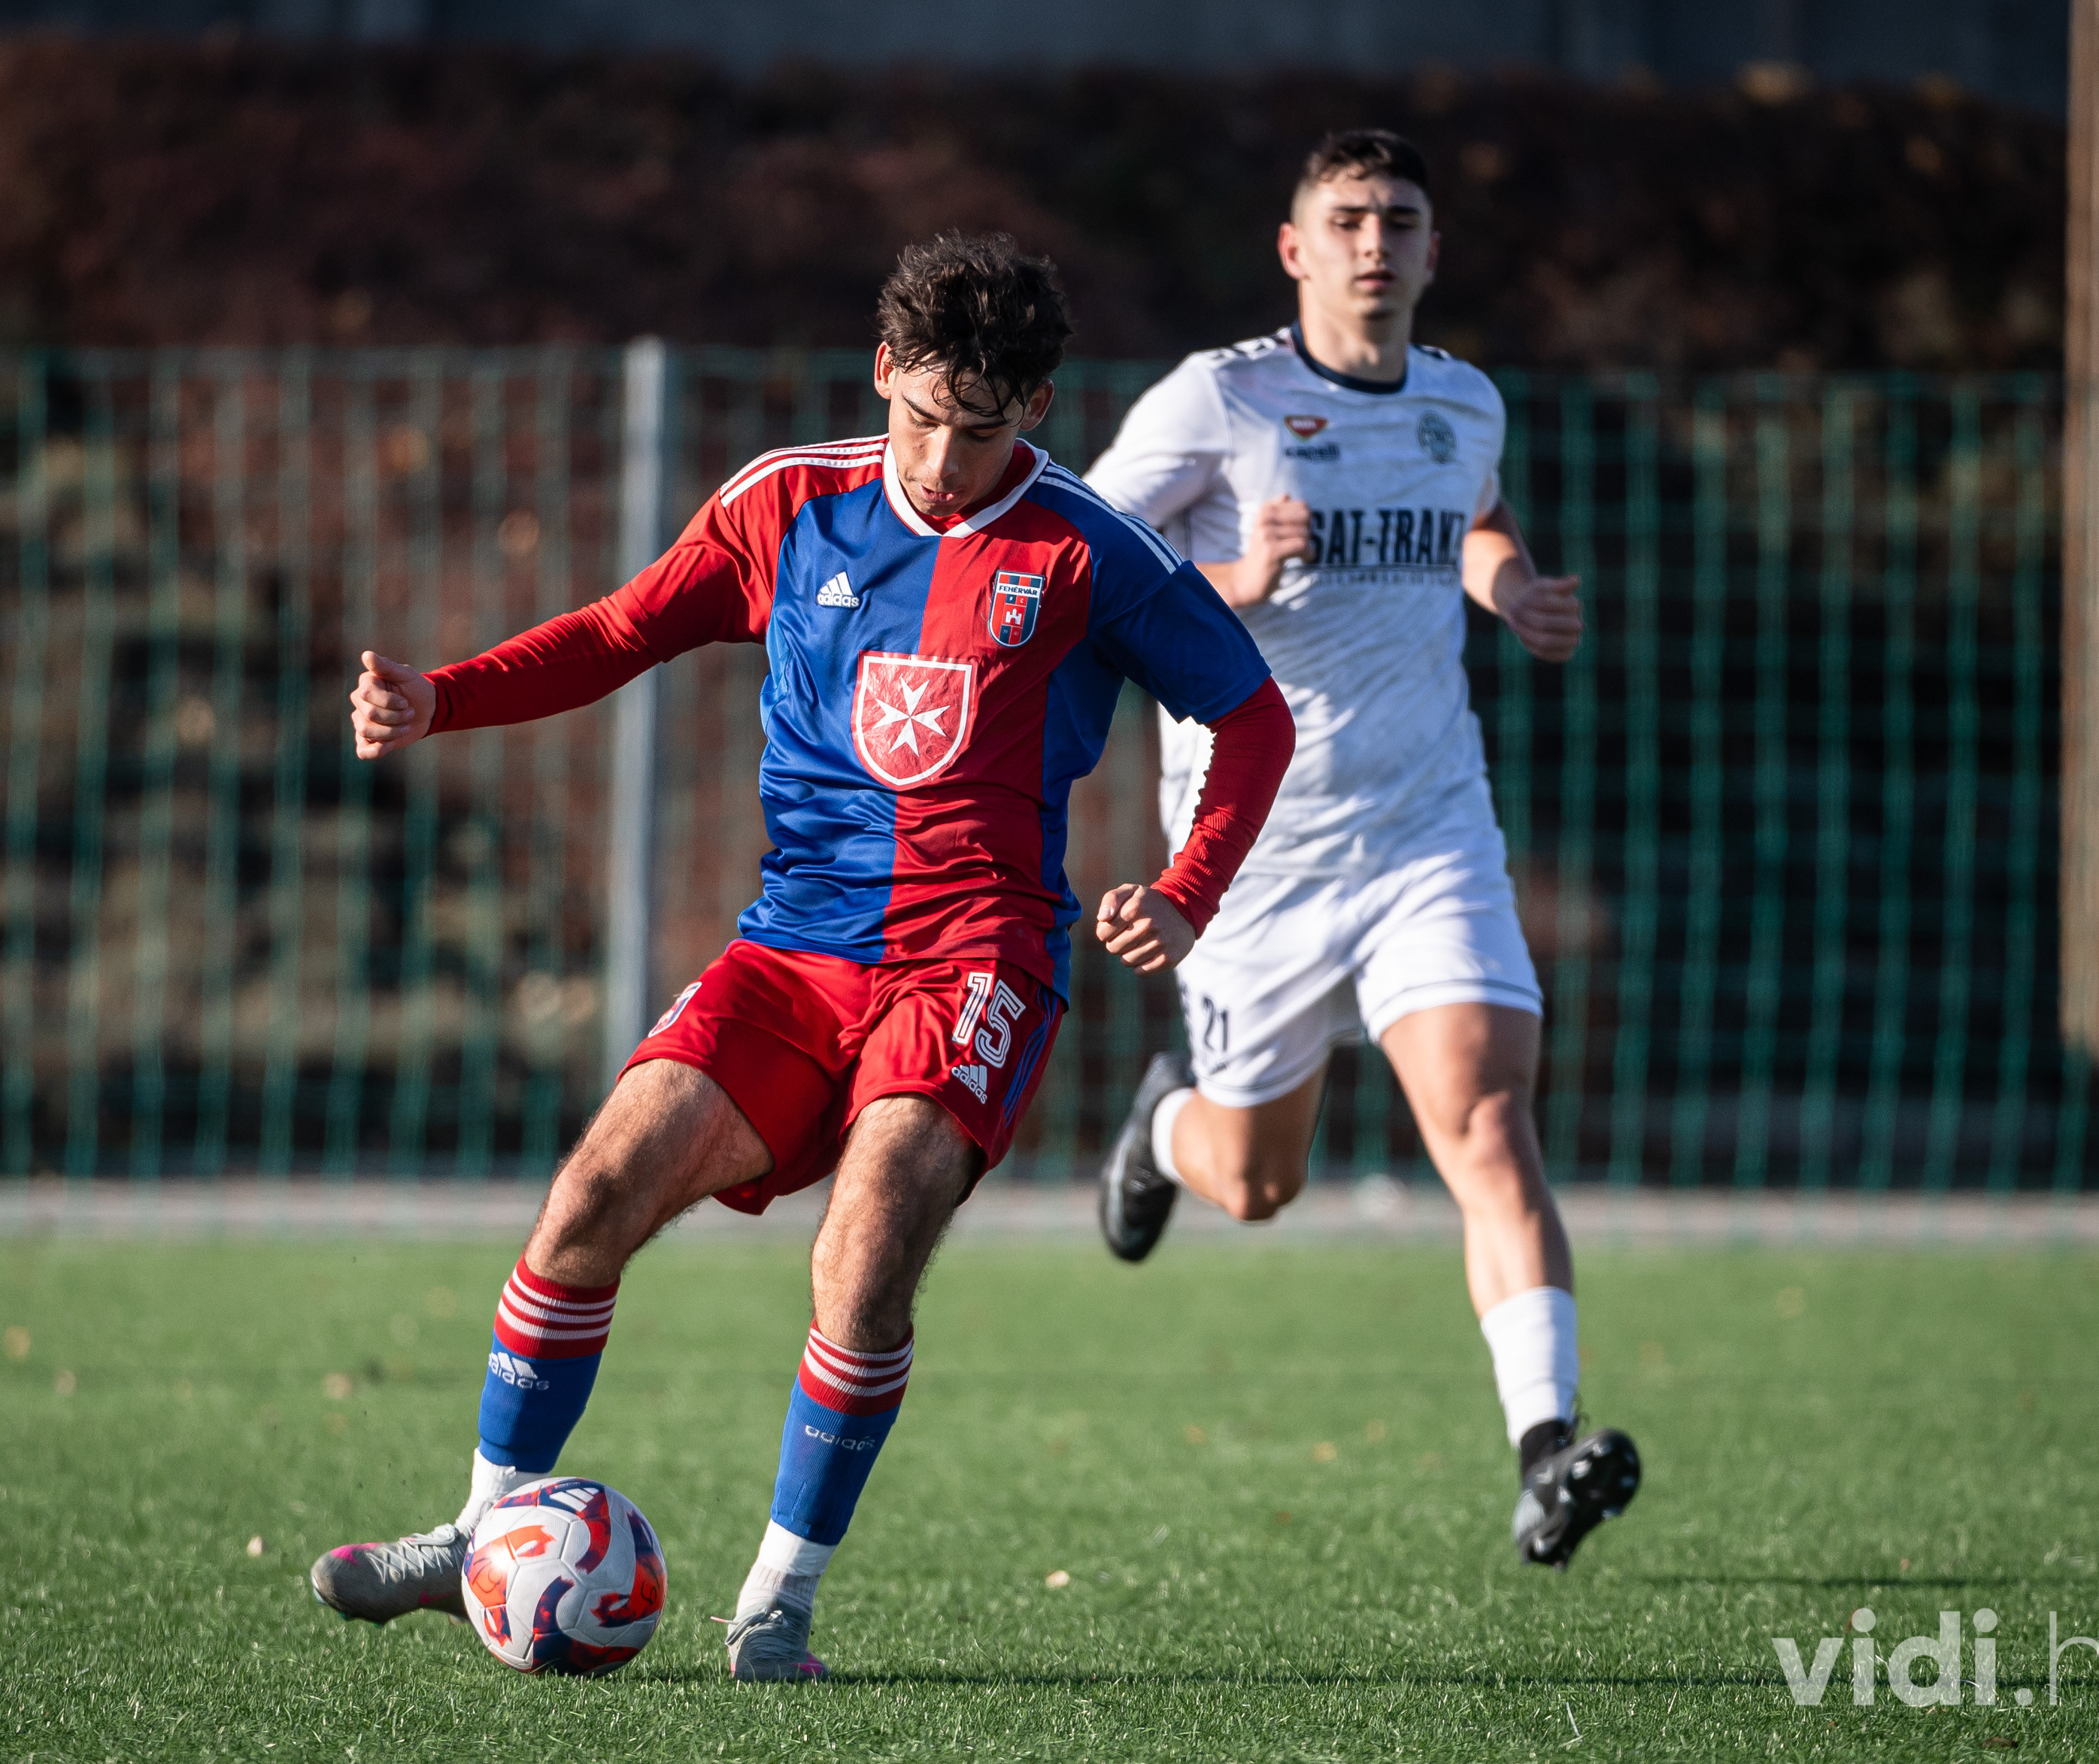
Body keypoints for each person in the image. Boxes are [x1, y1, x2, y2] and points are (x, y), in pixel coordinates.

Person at [313, 232, 1295, 1679]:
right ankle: (480, 1536)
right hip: (794, 946)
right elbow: (621, 631)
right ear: (884, 368)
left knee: (868, 1241)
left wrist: (1190, 891)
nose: (944, 461)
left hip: (976, 960)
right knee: (591, 1196)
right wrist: (439, 698)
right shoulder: (786, 502)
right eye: (924, 417)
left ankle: (774, 1610)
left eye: (982, 431)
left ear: (1034, 407)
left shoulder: (1090, 549)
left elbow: (1254, 716)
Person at [1081, 130, 1639, 1569]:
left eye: (1399, 220)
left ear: (1435, 250)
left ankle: (1546, 1449)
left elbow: (1475, 516)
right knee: (1258, 1185)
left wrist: (1508, 586)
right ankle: (1166, 1128)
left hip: (1425, 832)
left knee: (1487, 1119)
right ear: (1294, 248)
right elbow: (1076, 565)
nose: (1373, 243)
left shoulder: (1464, 401)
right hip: (1252, 855)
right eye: (1346, 220)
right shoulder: (1218, 398)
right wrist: (1237, 577)